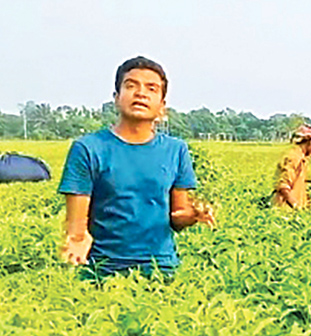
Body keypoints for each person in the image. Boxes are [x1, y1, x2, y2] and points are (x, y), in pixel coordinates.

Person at [58, 56, 215, 279]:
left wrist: (194, 215)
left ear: (162, 107)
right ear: (116, 98)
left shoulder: (176, 150)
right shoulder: (88, 149)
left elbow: (177, 215)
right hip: (101, 269)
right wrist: (76, 241)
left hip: (161, 269)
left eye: (151, 89)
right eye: (131, 86)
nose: (141, 93)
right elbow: (76, 224)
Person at [272, 124, 311, 209]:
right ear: (309, 142)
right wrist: (296, 206)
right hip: (286, 212)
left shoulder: (302, 159)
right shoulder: (293, 158)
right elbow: (284, 187)